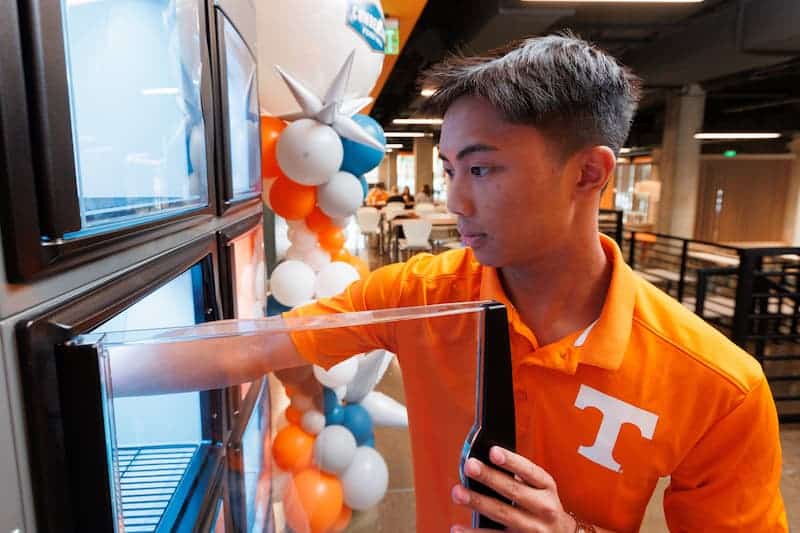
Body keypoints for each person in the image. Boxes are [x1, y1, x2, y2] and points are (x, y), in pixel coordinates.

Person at [117, 34, 787, 532]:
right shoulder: (424, 292)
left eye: (484, 169)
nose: (457, 200)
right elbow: (253, 346)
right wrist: (70, 365)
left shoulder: (717, 385)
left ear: (589, 173)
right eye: (449, 170)